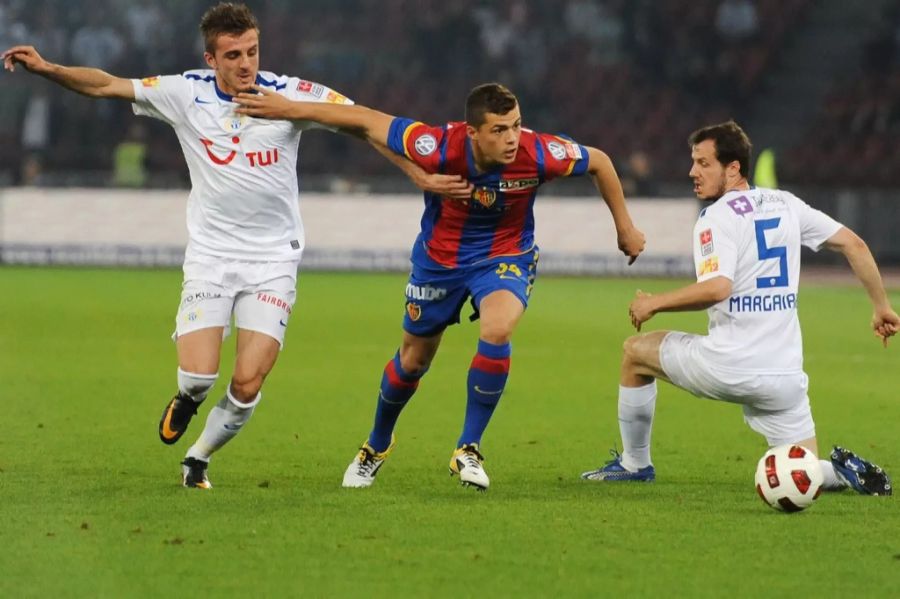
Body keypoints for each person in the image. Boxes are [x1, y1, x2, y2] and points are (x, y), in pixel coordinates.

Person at [1, 2, 471, 489]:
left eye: (252, 51)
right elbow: (105, 85)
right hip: (211, 257)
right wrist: (48, 69)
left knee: (247, 385)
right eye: (233, 55)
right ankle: (187, 399)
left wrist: (418, 174)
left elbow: (363, 123)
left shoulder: (290, 95)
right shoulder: (184, 93)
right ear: (211, 60)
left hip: (273, 260)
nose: (246, 63)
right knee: (199, 379)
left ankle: (198, 459)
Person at [234, 82, 646, 490]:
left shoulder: (538, 153)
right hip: (439, 263)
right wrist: (290, 108)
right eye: (499, 130)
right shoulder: (436, 145)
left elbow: (600, 162)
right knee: (413, 362)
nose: (511, 138)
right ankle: (377, 444)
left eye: (516, 125)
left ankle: (468, 446)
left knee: (498, 328)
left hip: (505, 257)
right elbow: (363, 119)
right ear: (473, 133)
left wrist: (625, 227)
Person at [581, 120, 896, 496]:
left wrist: (655, 303)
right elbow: (855, 245)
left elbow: (718, 288)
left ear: (733, 168)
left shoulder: (716, 217)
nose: (692, 172)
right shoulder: (787, 204)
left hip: (730, 366)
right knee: (804, 471)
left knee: (635, 354)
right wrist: (881, 307)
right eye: (693, 162)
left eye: (703, 163)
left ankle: (634, 464)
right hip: (784, 377)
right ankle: (842, 474)